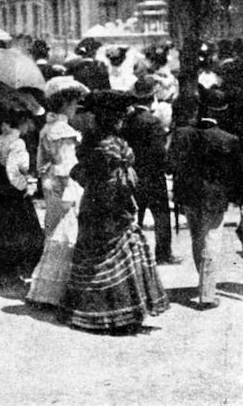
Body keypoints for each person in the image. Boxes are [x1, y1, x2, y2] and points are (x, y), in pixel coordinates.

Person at [60, 90, 169, 333]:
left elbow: (80, 173)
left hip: (94, 204)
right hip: (111, 206)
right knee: (117, 252)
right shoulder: (112, 146)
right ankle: (118, 315)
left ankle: (99, 312)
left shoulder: (92, 142)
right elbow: (114, 183)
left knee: (95, 255)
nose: (123, 120)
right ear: (114, 119)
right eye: (120, 116)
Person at [168, 89, 243, 309]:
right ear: (223, 111)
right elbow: (239, 173)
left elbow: (171, 165)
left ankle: (203, 284)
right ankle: (207, 293)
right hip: (215, 197)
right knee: (212, 239)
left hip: (189, 196)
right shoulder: (229, 140)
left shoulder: (182, 134)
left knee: (196, 238)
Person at [27, 79, 87, 306]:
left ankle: (45, 289)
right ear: (66, 105)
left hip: (49, 183)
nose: (75, 109)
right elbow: (66, 166)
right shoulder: (63, 130)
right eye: (73, 104)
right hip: (63, 185)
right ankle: (54, 292)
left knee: (54, 232)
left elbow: (44, 161)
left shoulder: (48, 127)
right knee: (66, 235)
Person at [0, 100, 43, 282]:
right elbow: (13, 170)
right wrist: (26, 187)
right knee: (18, 226)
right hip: (10, 186)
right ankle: (17, 267)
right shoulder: (18, 142)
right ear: (22, 123)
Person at [122, 76, 179, 264]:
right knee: (161, 215)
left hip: (133, 174)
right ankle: (163, 253)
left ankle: (131, 252)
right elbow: (159, 152)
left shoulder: (127, 120)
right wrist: (169, 167)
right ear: (151, 96)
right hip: (153, 176)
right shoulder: (153, 122)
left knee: (134, 216)